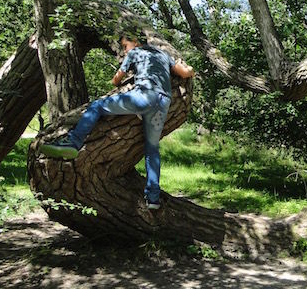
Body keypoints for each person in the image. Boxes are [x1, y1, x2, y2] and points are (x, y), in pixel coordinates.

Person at [39, 34, 195, 209]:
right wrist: (188, 68)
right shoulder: (161, 54)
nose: (124, 50)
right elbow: (185, 73)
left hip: (143, 97)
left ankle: (73, 143)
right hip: (163, 102)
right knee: (152, 149)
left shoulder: (135, 53)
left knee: (97, 106)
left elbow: (116, 80)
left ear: (135, 42)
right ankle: (153, 198)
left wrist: (123, 77)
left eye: (125, 46)